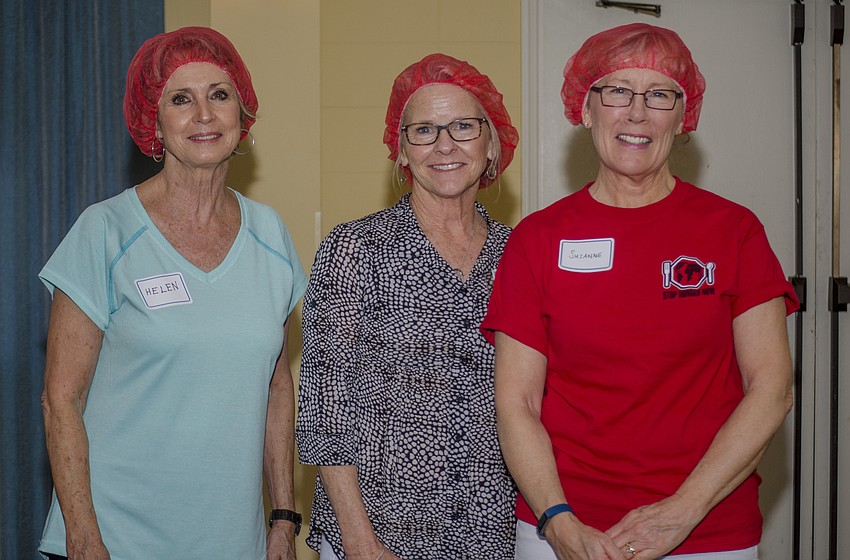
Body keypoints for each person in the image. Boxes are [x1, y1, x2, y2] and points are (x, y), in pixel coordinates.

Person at [481, 23, 799, 560]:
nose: (637, 112)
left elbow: (772, 387)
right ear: (585, 110)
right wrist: (557, 521)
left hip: (707, 532)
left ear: (684, 118)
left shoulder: (734, 231)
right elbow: (517, 401)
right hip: (561, 529)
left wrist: (683, 510)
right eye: (617, 91)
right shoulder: (538, 239)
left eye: (659, 95)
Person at [38, 27, 306, 560]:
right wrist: (85, 536)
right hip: (118, 534)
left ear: (242, 114)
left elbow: (277, 385)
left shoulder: (270, 234)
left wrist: (282, 515)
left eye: (219, 95)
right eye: (181, 99)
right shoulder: (106, 231)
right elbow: (60, 399)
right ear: (153, 121)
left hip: (235, 539)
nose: (204, 115)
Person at [295, 53, 519, 560]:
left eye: (463, 126)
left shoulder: (519, 255)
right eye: (424, 131)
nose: (445, 144)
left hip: (493, 529)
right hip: (380, 530)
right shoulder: (355, 248)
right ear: (400, 152)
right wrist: (359, 542)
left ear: (491, 145)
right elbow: (326, 409)